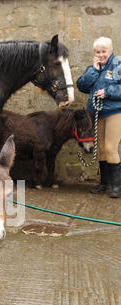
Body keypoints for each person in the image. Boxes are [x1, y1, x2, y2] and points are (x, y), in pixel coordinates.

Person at [77, 36, 121, 198]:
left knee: (110, 148)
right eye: (97, 52)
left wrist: (107, 92)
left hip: (114, 112)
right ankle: (105, 183)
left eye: (104, 51)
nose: (101, 55)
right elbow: (81, 85)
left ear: (110, 51)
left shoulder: (118, 66)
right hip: (97, 113)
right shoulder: (93, 68)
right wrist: (94, 70)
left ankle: (116, 186)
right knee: (101, 148)